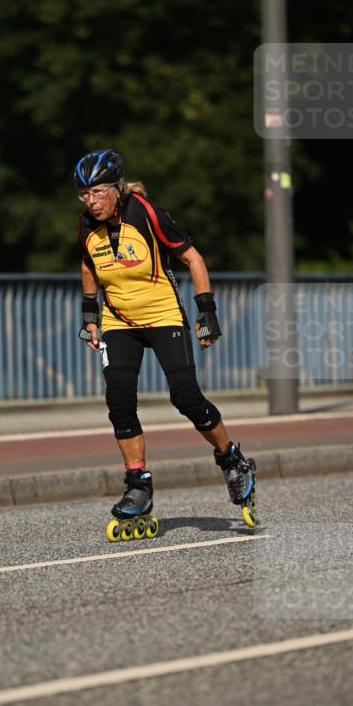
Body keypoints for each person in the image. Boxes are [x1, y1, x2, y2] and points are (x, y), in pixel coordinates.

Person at [75, 148, 256, 538]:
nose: (91, 202)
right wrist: (90, 316)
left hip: (163, 316)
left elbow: (193, 258)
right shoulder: (86, 224)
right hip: (119, 321)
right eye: (84, 195)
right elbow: (88, 263)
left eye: (98, 192)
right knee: (119, 400)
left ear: (116, 189)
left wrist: (206, 313)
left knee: (185, 396)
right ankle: (138, 484)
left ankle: (232, 460)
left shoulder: (145, 212)